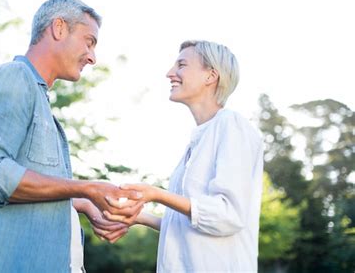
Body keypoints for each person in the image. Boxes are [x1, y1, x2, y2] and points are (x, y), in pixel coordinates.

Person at [0, 0, 143, 273]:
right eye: (89, 41)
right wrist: (85, 187)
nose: (92, 57)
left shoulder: (38, 99)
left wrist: (80, 202)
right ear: (58, 28)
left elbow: (22, 184)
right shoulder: (14, 78)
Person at [106, 40, 264, 272]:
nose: (170, 73)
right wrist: (140, 217)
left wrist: (156, 194)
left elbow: (227, 215)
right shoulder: (200, 138)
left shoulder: (232, 126)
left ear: (211, 76)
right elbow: (192, 224)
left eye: (181, 65)